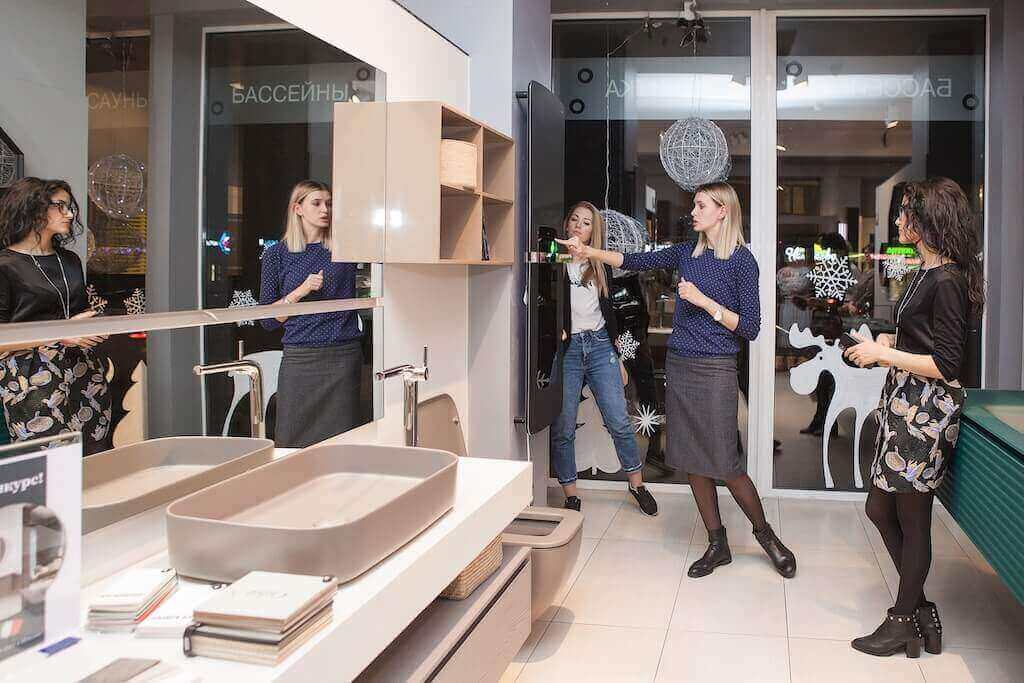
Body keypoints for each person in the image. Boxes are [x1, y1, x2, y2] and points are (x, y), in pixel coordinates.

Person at [559, 182, 796, 579]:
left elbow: (752, 328)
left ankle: (767, 536)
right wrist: (588, 251)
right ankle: (717, 543)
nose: (693, 211)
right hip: (681, 365)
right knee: (691, 461)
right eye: (694, 205)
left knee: (726, 463)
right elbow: (633, 260)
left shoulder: (742, 261)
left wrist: (704, 302)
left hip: (717, 367)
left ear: (723, 211)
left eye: (701, 205)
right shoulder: (687, 252)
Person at [844, 177, 982, 658]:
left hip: (926, 411)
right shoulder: (926, 271)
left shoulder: (947, 280)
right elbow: (923, 340)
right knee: (880, 509)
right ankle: (919, 611)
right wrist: (889, 343)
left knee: (911, 515)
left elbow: (947, 363)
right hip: (905, 403)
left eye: (906, 212)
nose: (899, 220)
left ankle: (904, 619)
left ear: (929, 220)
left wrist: (883, 355)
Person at [550, 202, 658, 516]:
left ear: (592, 231)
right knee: (564, 427)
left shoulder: (600, 265)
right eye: (574, 220)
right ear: (567, 224)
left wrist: (618, 358)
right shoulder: (555, 262)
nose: (578, 226)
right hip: (569, 350)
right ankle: (571, 493)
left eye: (586, 223)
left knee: (619, 421)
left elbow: (611, 316)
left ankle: (637, 485)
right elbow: (543, 304)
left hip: (600, 347)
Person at [0, 178, 111, 455]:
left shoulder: (70, 260)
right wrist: (60, 335)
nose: (70, 214)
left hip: (83, 369)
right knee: (48, 460)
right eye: (60, 206)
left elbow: (79, 312)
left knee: (95, 454)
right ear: (32, 208)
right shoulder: (5, 266)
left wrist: (95, 323)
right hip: (32, 376)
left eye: (69, 206)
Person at [259, 180, 362, 448]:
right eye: (316, 203)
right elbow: (268, 320)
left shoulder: (344, 250)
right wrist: (300, 291)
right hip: (300, 359)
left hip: (342, 357)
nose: (325, 209)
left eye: (329, 204)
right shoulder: (276, 255)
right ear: (298, 209)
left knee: (343, 445)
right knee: (291, 442)